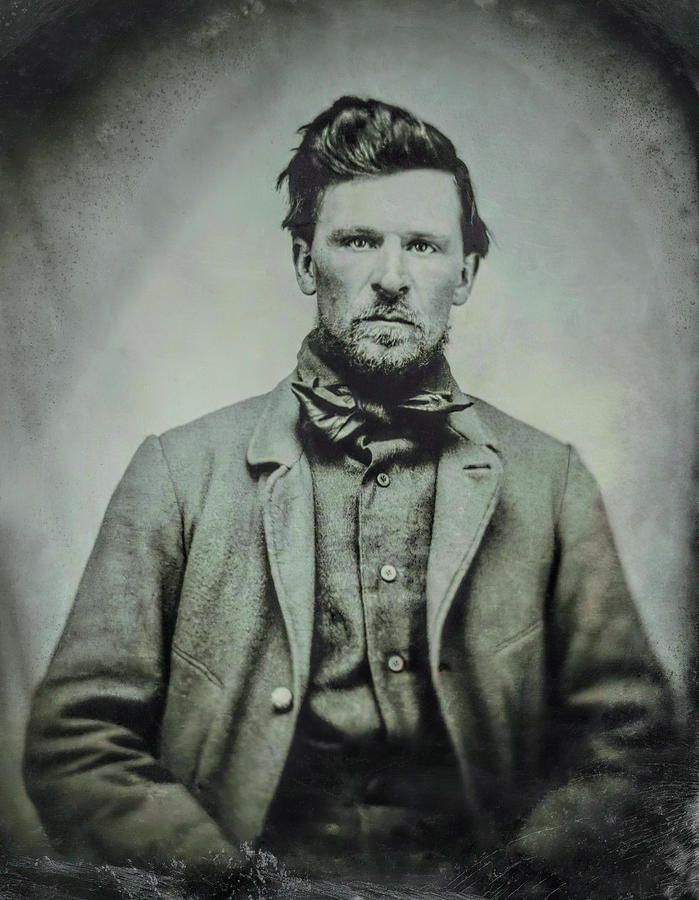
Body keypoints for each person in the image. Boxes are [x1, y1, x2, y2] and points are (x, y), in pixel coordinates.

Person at [24, 96, 673, 895]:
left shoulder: (550, 479)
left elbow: (633, 742)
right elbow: (77, 742)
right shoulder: (176, 471)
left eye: (423, 247)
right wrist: (229, 882)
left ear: (464, 273)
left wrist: (518, 879)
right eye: (358, 241)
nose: (391, 278)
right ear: (305, 263)